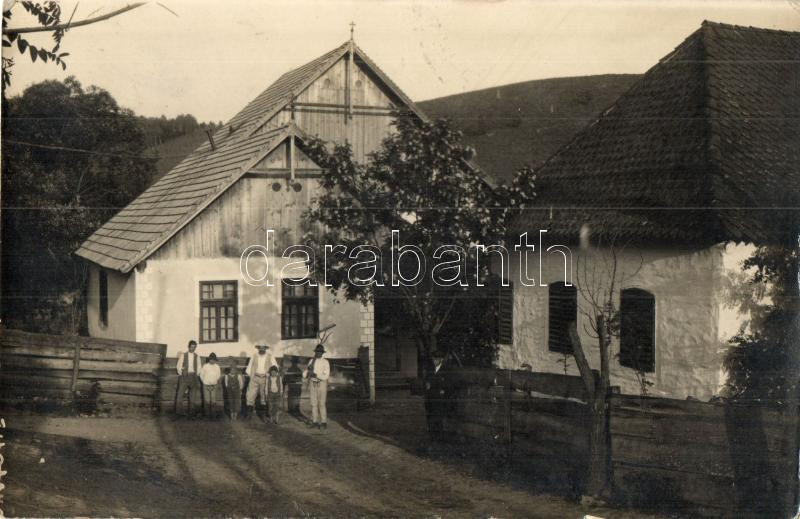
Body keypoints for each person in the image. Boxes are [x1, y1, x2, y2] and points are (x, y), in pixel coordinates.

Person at [246, 344, 277, 419]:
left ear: (266, 349)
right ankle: (249, 414)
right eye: (260, 348)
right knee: (250, 395)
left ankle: (263, 415)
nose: (262, 349)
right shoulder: (254, 356)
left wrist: (270, 377)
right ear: (258, 348)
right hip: (255, 377)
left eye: (263, 348)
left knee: (264, 395)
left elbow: (275, 368)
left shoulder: (270, 356)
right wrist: (252, 377)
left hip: (265, 378)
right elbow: (249, 367)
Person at [424, 350, 450, 440]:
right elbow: (426, 380)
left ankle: (439, 436)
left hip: (439, 399)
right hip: (430, 397)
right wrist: (426, 384)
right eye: (433, 359)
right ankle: (432, 435)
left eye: (436, 359)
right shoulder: (430, 370)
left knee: (438, 418)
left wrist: (443, 390)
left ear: (441, 359)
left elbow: (447, 384)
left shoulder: (445, 370)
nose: (434, 361)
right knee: (430, 416)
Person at [304, 343, 330, 429]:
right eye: (317, 351)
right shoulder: (311, 361)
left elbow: (326, 376)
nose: (318, 353)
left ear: (322, 353)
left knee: (321, 404)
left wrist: (315, 375)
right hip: (313, 384)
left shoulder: (325, 362)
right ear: (315, 352)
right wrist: (308, 371)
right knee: (313, 404)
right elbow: (304, 374)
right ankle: (314, 421)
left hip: (321, 384)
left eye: (320, 352)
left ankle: (323, 422)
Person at [175, 340, 203, 418]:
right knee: (180, 394)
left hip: (193, 376)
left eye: (194, 347)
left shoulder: (197, 356)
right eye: (191, 347)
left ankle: (191, 413)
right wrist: (182, 372)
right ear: (188, 347)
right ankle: (179, 413)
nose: (192, 349)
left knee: (192, 396)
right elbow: (179, 366)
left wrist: (196, 374)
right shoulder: (183, 355)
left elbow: (199, 367)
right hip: (184, 376)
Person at [200, 352, 222, 418]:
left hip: (214, 385)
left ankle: (213, 415)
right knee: (207, 400)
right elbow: (201, 375)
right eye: (211, 359)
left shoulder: (217, 366)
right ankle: (207, 415)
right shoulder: (205, 366)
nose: (212, 361)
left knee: (213, 400)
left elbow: (218, 375)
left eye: (213, 359)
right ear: (209, 359)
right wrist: (205, 382)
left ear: (215, 360)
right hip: (206, 385)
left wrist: (214, 382)